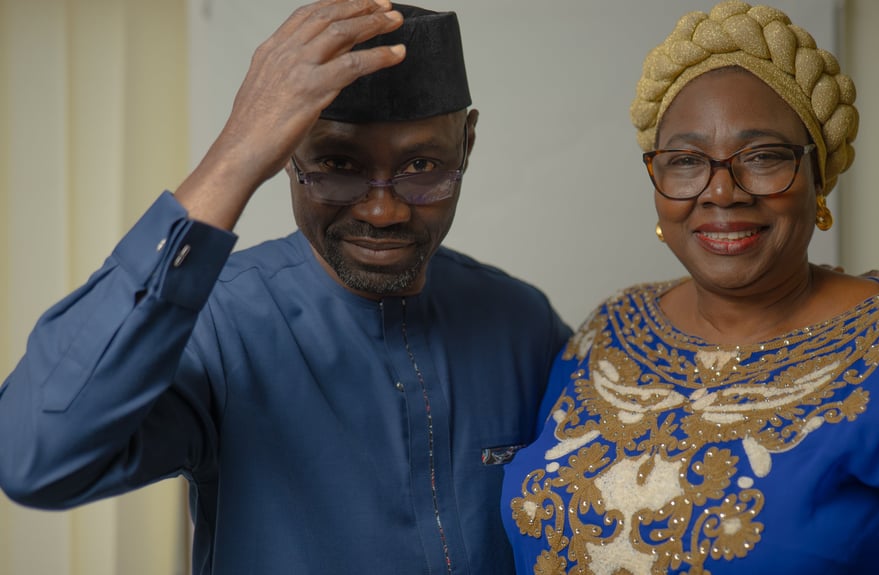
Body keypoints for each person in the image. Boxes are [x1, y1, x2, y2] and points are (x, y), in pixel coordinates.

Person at [0, 2, 571, 573]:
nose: (381, 209)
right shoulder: (218, 327)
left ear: (467, 144)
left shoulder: (522, 323)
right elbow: (34, 457)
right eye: (336, 164)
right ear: (286, 156)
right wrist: (235, 151)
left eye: (421, 166)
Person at [501, 1, 879, 573]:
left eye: (764, 157)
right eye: (685, 161)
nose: (722, 192)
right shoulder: (605, 335)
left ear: (818, 179)